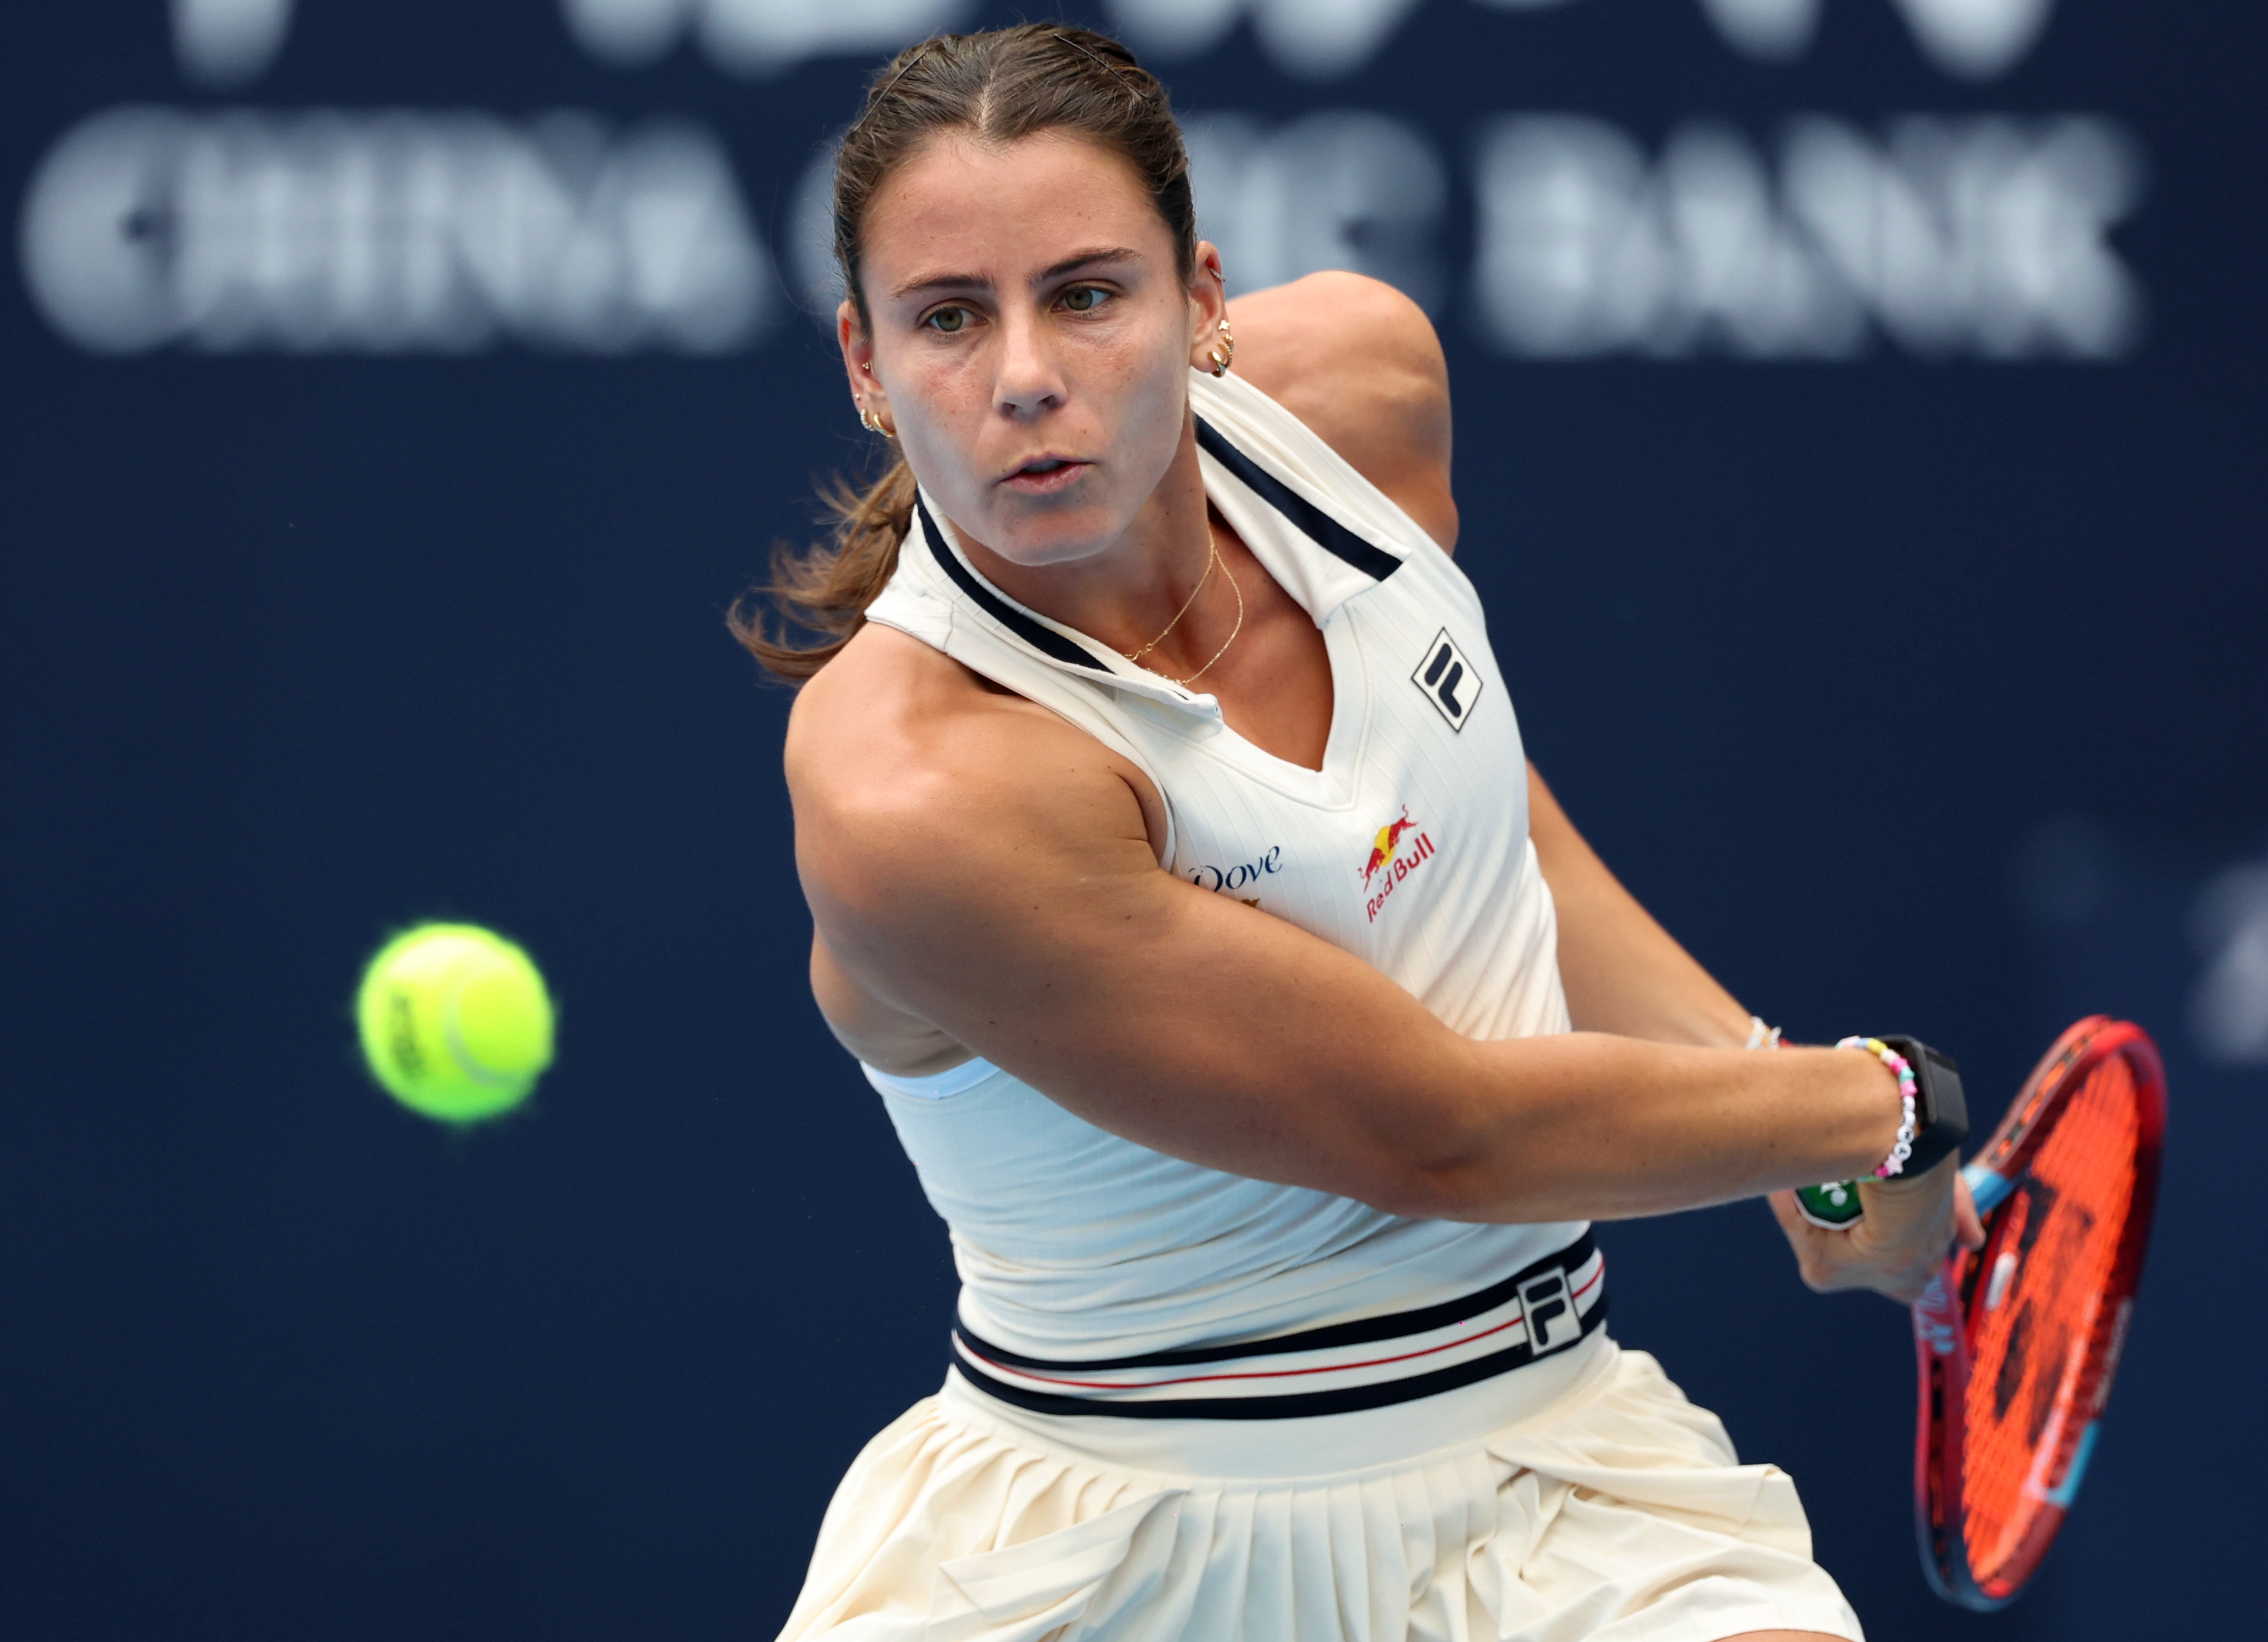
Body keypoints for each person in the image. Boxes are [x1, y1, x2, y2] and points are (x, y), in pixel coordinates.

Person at [741, 25, 1982, 1642]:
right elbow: (1441, 1135)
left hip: (1549, 1482)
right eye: (950, 319)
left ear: (1201, 303)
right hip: (1094, 1558)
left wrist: (1755, 1075)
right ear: (863, 360)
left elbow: (1457, 824)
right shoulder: (922, 783)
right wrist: (1872, 1110)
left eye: (1088, 293)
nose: (1026, 371)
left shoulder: (1360, 401)